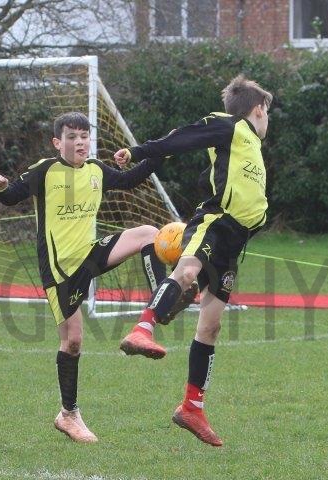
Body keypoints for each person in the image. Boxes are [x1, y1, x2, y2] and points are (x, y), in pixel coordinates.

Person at [0, 111, 192, 443]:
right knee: (73, 342)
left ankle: (161, 305)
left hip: (89, 253)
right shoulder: (45, 171)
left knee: (148, 234)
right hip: (59, 270)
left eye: (84, 136)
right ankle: (68, 415)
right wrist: (1, 187)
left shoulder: (96, 169)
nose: (80, 142)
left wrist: (162, 150)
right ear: (57, 142)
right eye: (72, 137)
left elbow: (130, 179)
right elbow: (11, 196)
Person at [114, 75, 273, 447]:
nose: (268, 119)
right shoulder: (230, 126)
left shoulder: (251, 145)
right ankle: (143, 328)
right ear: (258, 109)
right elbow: (183, 137)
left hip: (233, 243)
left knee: (211, 326)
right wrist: (138, 151)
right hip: (214, 223)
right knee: (186, 270)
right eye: (267, 113)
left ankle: (192, 408)